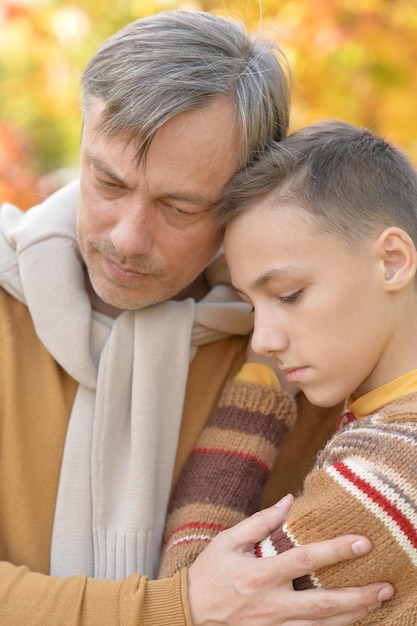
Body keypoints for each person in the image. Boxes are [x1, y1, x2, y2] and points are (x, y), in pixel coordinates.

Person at [0, 8, 393, 623]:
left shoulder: (304, 359)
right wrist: (174, 608)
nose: (128, 238)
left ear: (243, 199)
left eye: (179, 207)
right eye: (107, 182)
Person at [165, 118, 416, 624]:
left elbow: (201, 590)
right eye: (253, 307)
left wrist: (259, 387)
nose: (263, 341)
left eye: (289, 295)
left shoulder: (391, 473)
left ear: (392, 260)